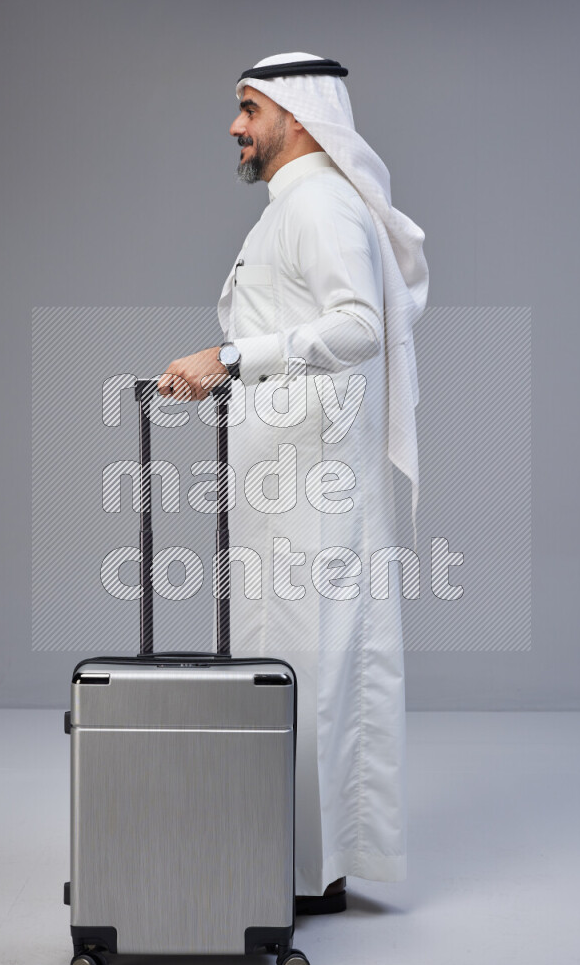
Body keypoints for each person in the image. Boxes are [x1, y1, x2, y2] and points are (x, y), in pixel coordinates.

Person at [158, 52, 428, 914]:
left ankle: (304, 871)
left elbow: (358, 326)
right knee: (290, 660)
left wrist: (233, 356)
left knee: (313, 661)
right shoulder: (293, 208)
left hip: (314, 490)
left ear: (298, 116)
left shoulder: (318, 205)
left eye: (248, 109)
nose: (235, 127)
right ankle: (291, 858)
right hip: (285, 483)